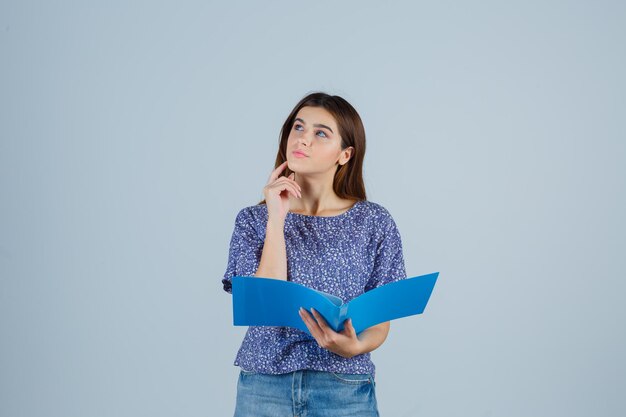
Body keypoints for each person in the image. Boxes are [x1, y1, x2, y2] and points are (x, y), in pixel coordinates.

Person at [222, 92, 407, 417]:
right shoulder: (253, 221)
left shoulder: (374, 222)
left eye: (320, 133)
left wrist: (356, 346)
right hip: (264, 386)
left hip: (344, 386)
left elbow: (380, 318)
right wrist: (276, 218)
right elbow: (263, 305)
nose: (303, 139)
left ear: (345, 154)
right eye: (298, 127)